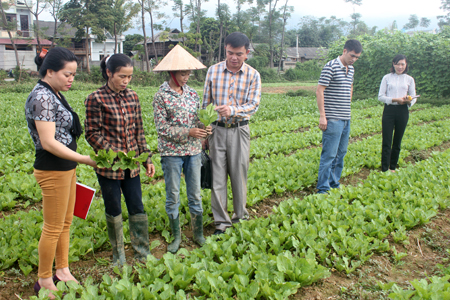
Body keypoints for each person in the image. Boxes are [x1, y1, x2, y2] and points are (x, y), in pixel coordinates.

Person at [25, 47, 97, 297]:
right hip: (52, 169)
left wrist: (77, 161)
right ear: (50, 71)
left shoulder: (53, 93)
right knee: (53, 227)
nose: (71, 79)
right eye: (67, 74)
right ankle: (44, 279)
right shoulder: (42, 97)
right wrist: (85, 159)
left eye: (74, 75)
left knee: (65, 223)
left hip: (66, 168)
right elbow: (48, 142)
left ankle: (62, 270)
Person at [84, 54, 155, 265]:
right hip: (108, 167)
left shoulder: (132, 97)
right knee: (113, 208)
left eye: (130, 77)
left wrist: (147, 158)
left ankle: (142, 252)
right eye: (122, 76)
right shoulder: (95, 98)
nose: (126, 81)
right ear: (108, 73)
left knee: (137, 206)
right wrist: (114, 153)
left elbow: (139, 131)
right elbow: (92, 133)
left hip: (132, 165)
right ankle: (118, 256)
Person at [152, 45, 210, 253]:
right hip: (171, 153)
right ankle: (176, 237)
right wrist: (189, 131)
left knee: (195, 193)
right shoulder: (161, 96)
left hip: (193, 151)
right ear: (172, 73)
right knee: (173, 194)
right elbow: (162, 128)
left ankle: (198, 234)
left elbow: (198, 119)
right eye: (183, 73)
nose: (186, 77)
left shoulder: (193, 94)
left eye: (188, 73)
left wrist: (205, 126)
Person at [203, 32, 261, 235]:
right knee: (217, 177)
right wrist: (204, 131)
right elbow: (205, 103)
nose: (233, 58)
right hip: (216, 130)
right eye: (229, 53)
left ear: (247, 53)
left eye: (238, 54)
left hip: (239, 130)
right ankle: (221, 223)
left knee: (239, 175)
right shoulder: (213, 71)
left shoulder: (253, 75)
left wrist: (233, 110)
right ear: (225, 50)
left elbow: (253, 105)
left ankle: (240, 218)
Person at [316, 39, 362, 194]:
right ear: (344, 51)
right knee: (329, 155)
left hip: (345, 118)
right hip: (333, 119)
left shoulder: (351, 69)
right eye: (352, 55)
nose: (353, 59)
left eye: (356, 57)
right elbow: (320, 90)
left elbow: (350, 85)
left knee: (341, 153)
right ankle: (323, 188)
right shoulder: (331, 66)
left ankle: (334, 183)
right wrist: (323, 116)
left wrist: (347, 100)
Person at [378, 54, 417, 172]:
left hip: (402, 111)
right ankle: (384, 168)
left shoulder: (409, 79)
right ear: (393, 64)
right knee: (387, 140)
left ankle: (392, 167)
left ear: (406, 65)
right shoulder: (386, 78)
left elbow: (414, 97)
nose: (400, 67)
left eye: (402, 64)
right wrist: (395, 100)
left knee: (397, 140)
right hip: (389, 110)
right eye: (397, 64)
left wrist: (408, 100)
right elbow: (381, 96)